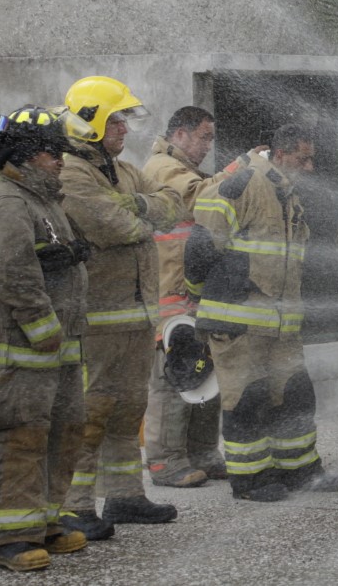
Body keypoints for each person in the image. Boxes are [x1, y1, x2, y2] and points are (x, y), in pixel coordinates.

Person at [185, 123, 338, 502]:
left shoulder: (286, 192)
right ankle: (250, 479)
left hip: (280, 326)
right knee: (247, 399)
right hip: (240, 323)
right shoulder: (245, 182)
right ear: (282, 153)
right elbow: (201, 244)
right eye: (302, 158)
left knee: (295, 395)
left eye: (311, 159)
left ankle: (300, 470)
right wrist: (198, 297)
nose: (308, 167)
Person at [0, 106, 95, 571]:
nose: (59, 159)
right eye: (49, 151)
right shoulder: (6, 202)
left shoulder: (42, 199)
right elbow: (13, 273)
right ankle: (10, 538)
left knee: (61, 434)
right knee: (21, 438)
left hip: (56, 351)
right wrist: (44, 330)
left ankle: (43, 521)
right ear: (21, 155)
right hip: (23, 352)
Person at [60, 77, 182, 537]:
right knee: (90, 413)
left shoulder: (125, 172)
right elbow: (111, 226)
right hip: (95, 320)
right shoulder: (71, 172)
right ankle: (75, 506)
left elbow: (172, 206)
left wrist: (133, 205)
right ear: (90, 120)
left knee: (129, 409)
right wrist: (139, 213)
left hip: (135, 317)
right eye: (115, 120)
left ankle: (125, 496)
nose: (124, 129)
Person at [141, 106, 229, 488]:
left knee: (204, 373)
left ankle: (203, 453)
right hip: (170, 296)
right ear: (179, 134)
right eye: (203, 137)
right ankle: (165, 461)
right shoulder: (163, 167)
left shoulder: (188, 170)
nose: (208, 146)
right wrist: (239, 168)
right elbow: (198, 200)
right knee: (172, 378)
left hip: (193, 295)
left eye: (211, 138)